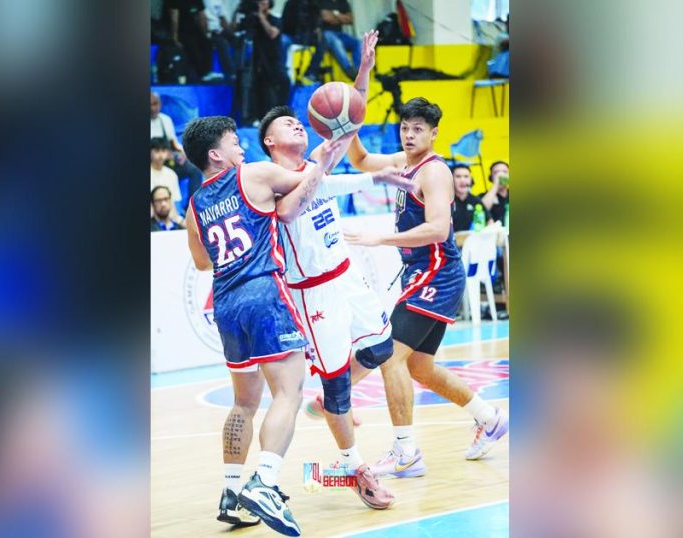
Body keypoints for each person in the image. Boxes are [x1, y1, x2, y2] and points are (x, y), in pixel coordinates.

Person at [256, 28, 411, 513]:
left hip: (345, 273)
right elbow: (290, 210)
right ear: (270, 141)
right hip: (312, 292)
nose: (298, 127)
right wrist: (332, 169)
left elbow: (349, 117)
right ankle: (354, 466)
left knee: (381, 347)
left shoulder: (316, 160)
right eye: (288, 125)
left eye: (299, 122)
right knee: (338, 379)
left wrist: (363, 70)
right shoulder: (268, 181)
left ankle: (328, 403)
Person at [183, 115, 344, 537]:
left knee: (243, 404)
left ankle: (231, 492)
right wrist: (323, 160)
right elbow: (304, 187)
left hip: (226, 304)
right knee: (289, 393)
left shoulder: (194, 206)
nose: (241, 148)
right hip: (264, 294)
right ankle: (265, 482)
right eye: (234, 142)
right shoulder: (253, 174)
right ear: (216, 154)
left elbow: (201, 262)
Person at [342, 97, 510, 477]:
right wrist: (347, 126)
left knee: (390, 356)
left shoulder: (434, 173)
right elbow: (361, 161)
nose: (409, 134)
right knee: (419, 366)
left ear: (433, 134)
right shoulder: (403, 161)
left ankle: (405, 452)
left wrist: (379, 239)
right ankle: (489, 418)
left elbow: (437, 229)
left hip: (437, 272)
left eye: (418, 129)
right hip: (423, 272)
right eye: (405, 128)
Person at [239, 0, 291, 124]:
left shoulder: (275, 20)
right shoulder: (251, 21)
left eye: (264, 1)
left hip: (274, 60)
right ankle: (254, 117)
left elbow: (272, 33)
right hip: (257, 61)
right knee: (257, 87)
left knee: (284, 81)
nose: (261, 3)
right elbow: (236, 31)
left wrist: (261, 17)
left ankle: (282, 114)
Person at [303, 0, 361, 82]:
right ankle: (349, 70)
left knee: (357, 43)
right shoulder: (321, 2)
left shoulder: (343, 2)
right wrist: (341, 17)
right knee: (336, 42)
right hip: (326, 33)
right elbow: (325, 17)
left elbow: (350, 19)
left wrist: (334, 15)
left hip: (340, 34)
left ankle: (359, 72)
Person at [168, 0, 224, 82]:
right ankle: (201, 73)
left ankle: (208, 71)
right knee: (192, 45)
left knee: (207, 43)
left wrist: (206, 34)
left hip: (194, 29)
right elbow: (174, 17)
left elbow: (201, 15)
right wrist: (174, 37)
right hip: (181, 31)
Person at [451, 164, 491, 231]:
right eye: (458, 176)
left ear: (471, 179)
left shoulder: (475, 200)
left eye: (466, 176)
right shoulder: (446, 200)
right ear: (451, 179)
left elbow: (490, 221)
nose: (462, 180)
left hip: (472, 236)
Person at [150, 138, 183, 210]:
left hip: (169, 212)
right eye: (157, 151)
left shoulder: (172, 174)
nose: (160, 155)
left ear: (168, 153)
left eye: (163, 151)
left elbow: (176, 201)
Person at [481, 160, 509, 227]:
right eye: (496, 173)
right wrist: (496, 185)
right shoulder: (484, 196)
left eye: (504, 172)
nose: (501, 175)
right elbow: (482, 210)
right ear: (491, 177)